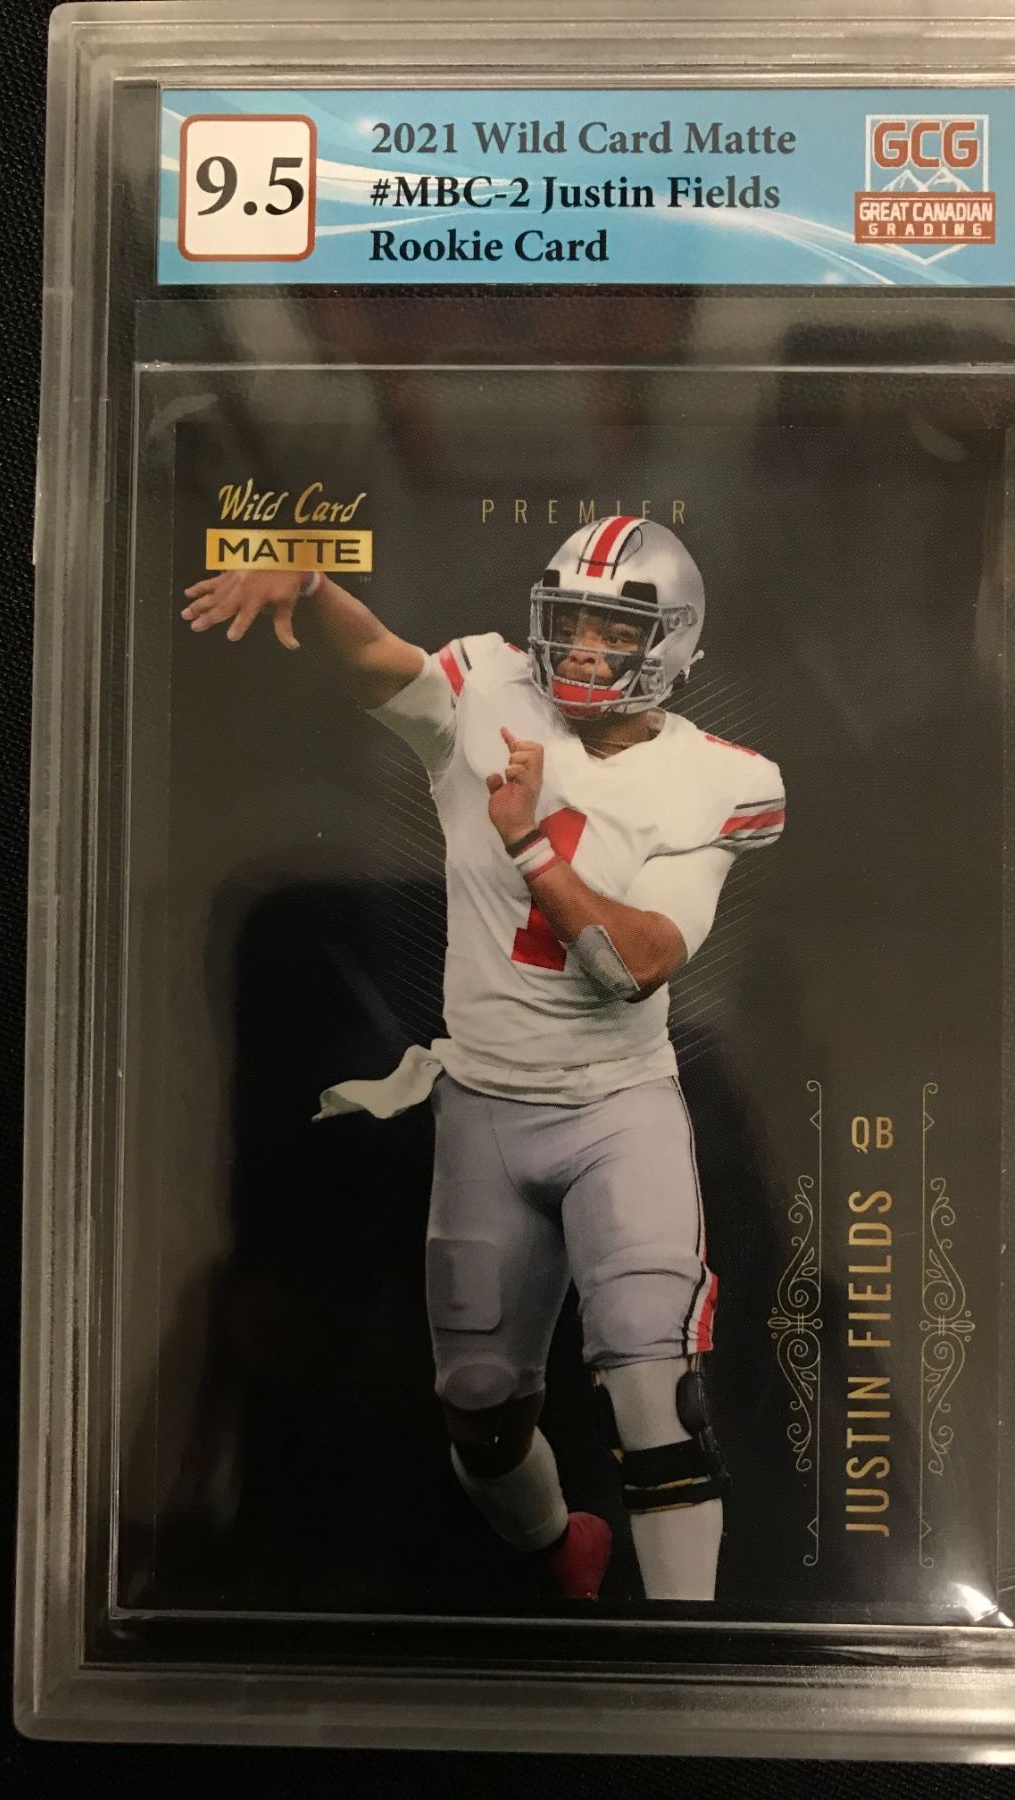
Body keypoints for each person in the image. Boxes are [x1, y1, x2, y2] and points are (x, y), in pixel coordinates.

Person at [182, 515, 784, 1601]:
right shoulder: (488, 689)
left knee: (656, 1386)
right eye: (574, 623)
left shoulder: (713, 779)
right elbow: (382, 662)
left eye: (616, 629)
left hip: (616, 1109)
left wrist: (529, 843)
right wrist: (311, 588)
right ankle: (558, 1550)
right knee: (478, 1411)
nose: (586, 649)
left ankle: (686, 1641)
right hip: (485, 1110)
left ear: (673, 642)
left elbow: (636, 962)